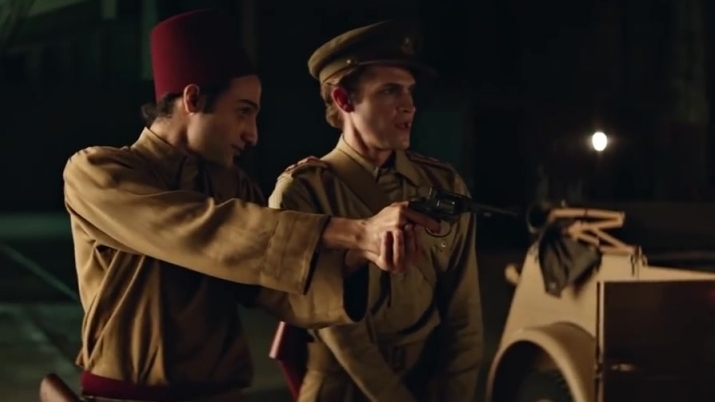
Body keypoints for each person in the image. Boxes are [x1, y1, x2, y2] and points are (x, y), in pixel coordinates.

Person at [62, 10, 439, 402]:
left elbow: (273, 285)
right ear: (193, 99)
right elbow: (204, 229)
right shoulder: (98, 172)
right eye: (243, 111)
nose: (252, 134)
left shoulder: (232, 184)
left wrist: (358, 257)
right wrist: (355, 232)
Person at [268, 20, 484, 402]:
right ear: (344, 100)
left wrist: (455, 393)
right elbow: (334, 326)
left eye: (410, 91)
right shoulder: (304, 192)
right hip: (342, 387)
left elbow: (464, 313)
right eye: (389, 90)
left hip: (428, 383)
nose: (409, 105)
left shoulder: (443, 185)